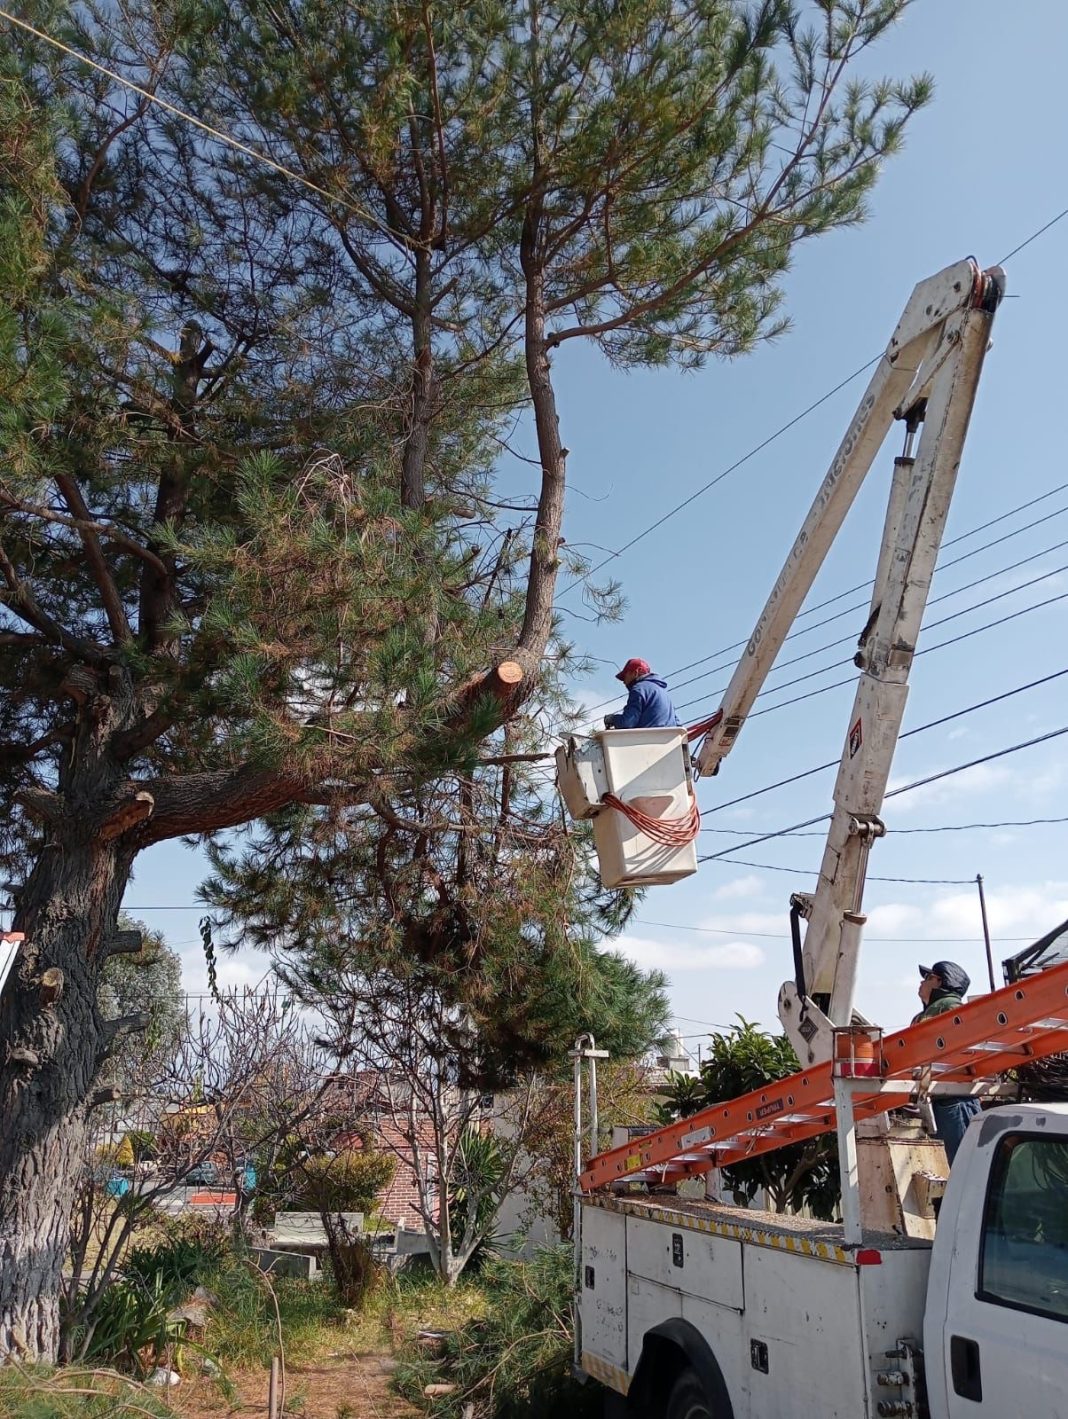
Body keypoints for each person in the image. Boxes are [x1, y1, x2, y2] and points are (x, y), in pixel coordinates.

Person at [912, 960, 982, 1164]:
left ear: (940, 981)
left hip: (955, 1101)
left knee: (963, 1168)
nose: (921, 982)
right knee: (954, 1169)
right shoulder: (928, 1012)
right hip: (942, 1100)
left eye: (927, 977)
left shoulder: (951, 1007)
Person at [604, 658, 681, 730]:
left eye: (625, 676)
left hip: (648, 741)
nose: (624, 682)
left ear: (636, 672)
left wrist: (613, 719)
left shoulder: (639, 689)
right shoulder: (663, 692)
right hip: (669, 742)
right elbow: (678, 724)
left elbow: (628, 722)